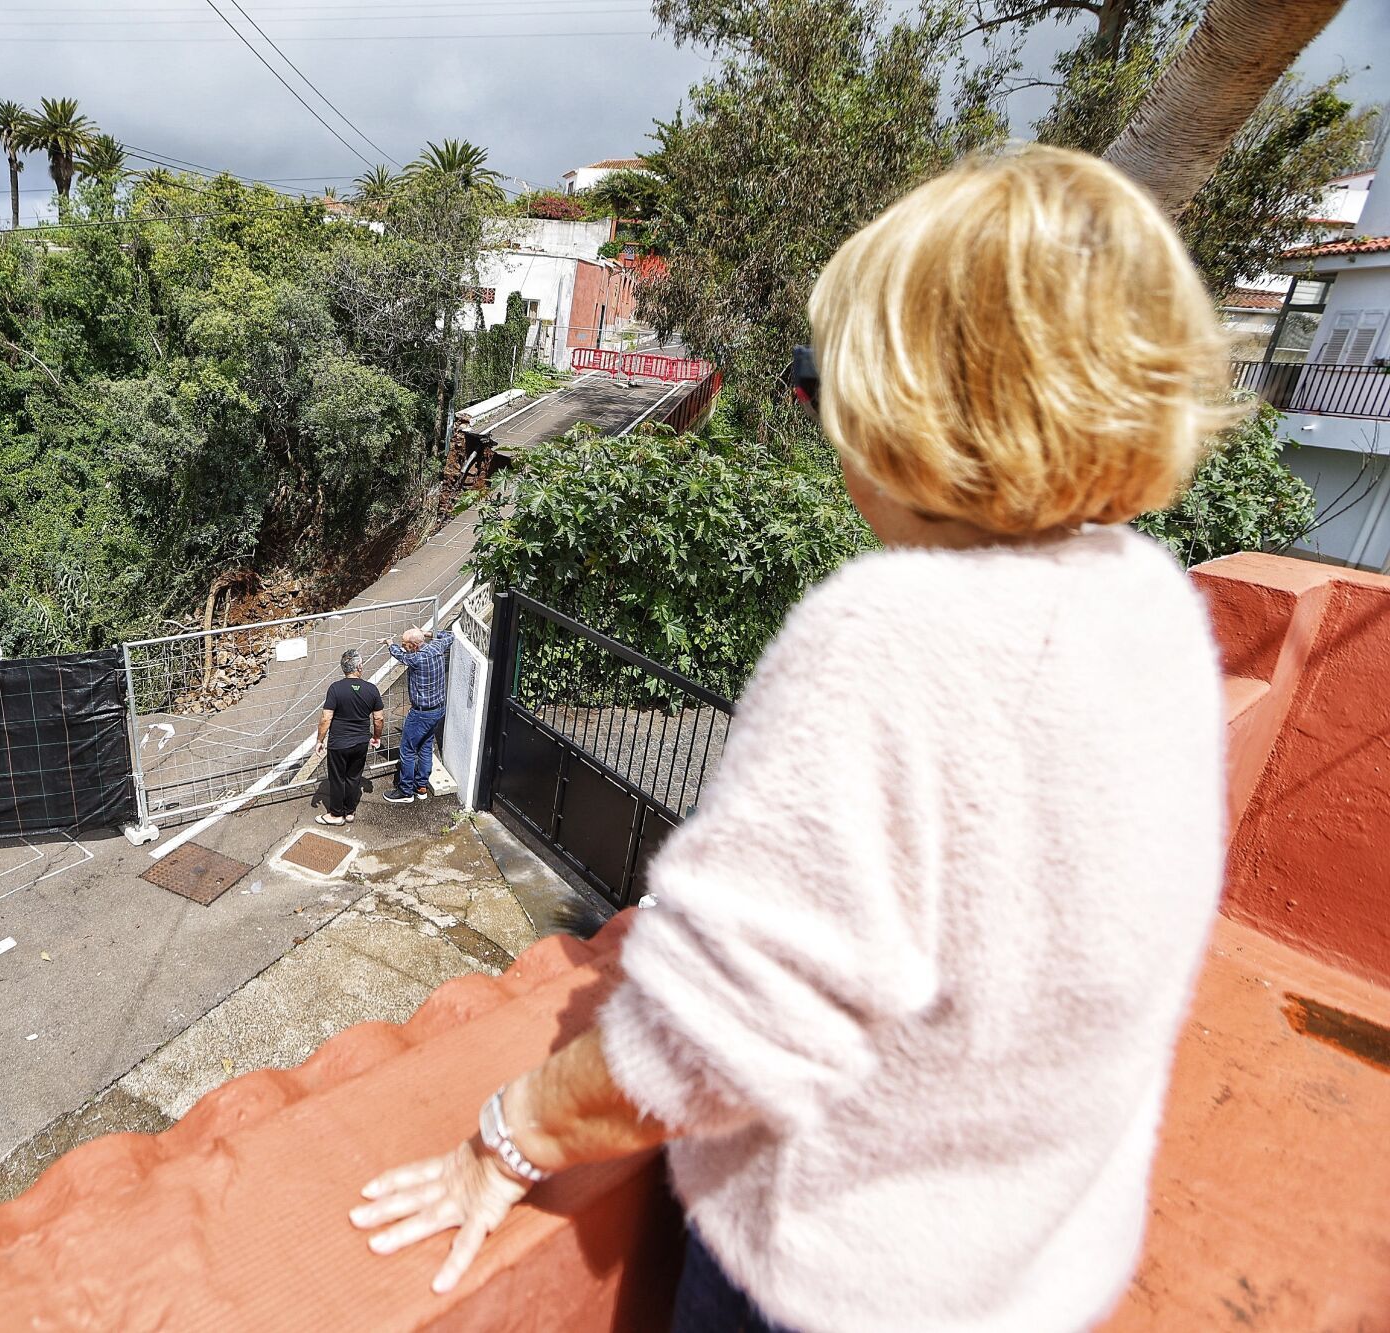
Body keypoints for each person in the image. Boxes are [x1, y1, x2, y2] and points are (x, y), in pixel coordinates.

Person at [348, 145, 1239, 1332]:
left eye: (833, 385)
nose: (826, 424)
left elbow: (711, 1042)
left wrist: (503, 1137)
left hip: (842, 1285)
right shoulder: (1149, 600)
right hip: (1038, 1270)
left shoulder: (894, 635)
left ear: (909, 401)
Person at [381, 626, 455, 804]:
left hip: (421, 713)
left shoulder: (416, 658)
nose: (403, 646)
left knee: (407, 750)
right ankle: (421, 786)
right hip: (438, 710)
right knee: (425, 746)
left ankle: (406, 791)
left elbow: (399, 655)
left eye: (405, 644)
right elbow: (450, 636)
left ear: (414, 645)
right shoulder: (437, 647)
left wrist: (390, 643)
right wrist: (426, 633)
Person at [315, 648, 383, 826]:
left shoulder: (335, 688)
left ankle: (336, 814)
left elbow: (326, 718)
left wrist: (320, 740)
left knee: (337, 778)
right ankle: (350, 811)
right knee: (354, 776)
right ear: (359, 667)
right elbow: (378, 718)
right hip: (360, 742)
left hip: (338, 743)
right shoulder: (371, 689)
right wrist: (376, 737)